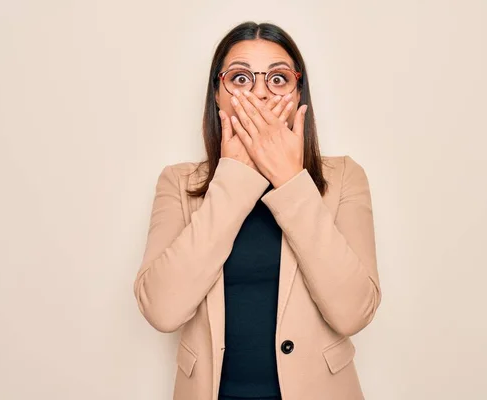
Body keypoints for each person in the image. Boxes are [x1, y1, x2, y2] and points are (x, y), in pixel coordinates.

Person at [133, 21, 382, 400]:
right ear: (217, 95)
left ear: (300, 95)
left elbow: (354, 312)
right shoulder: (178, 183)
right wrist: (233, 182)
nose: (260, 93)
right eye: (241, 78)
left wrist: (290, 181)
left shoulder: (344, 177)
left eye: (278, 79)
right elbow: (162, 311)